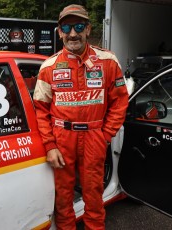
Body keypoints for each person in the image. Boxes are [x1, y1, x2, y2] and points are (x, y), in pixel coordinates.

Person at [33, 4, 129, 230]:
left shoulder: (108, 61)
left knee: (94, 198)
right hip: (61, 139)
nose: (72, 33)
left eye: (78, 26)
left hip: (94, 136)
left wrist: (105, 134)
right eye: (67, 27)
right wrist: (49, 145)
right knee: (63, 199)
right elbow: (41, 109)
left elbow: (120, 101)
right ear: (59, 32)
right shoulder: (49, 66)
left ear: (88, 29)